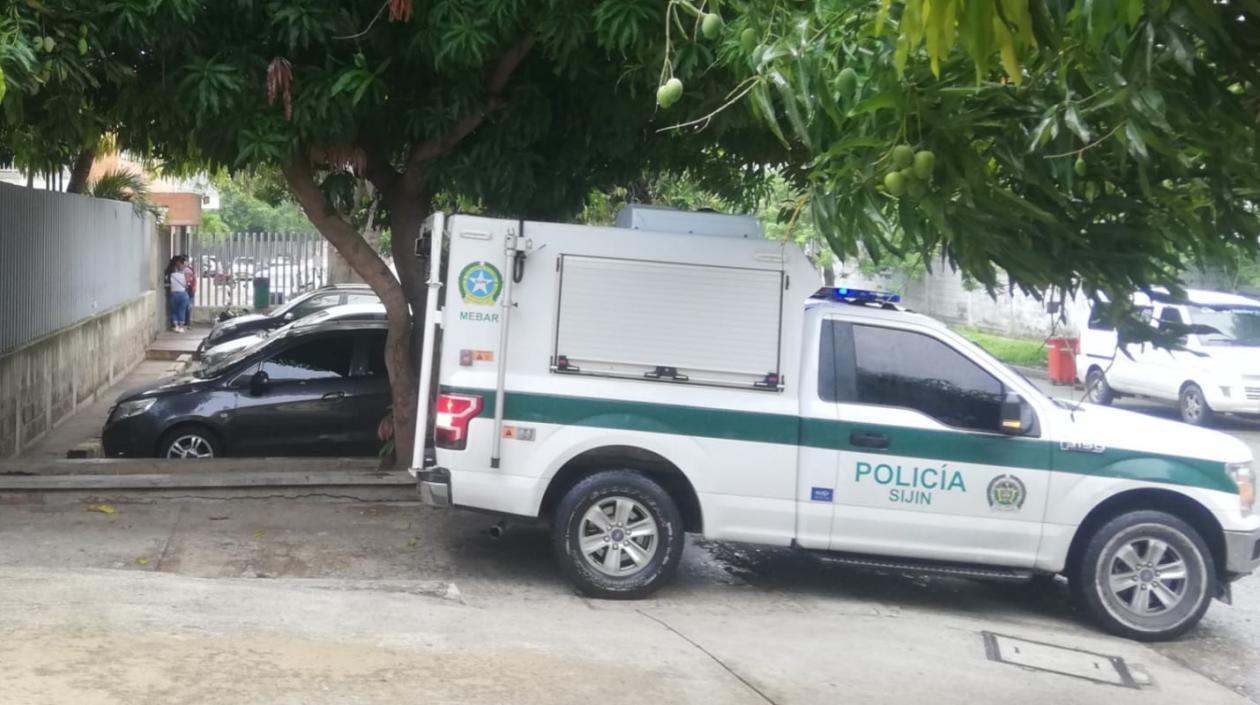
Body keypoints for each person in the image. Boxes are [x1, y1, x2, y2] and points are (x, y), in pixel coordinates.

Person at [166, 255, 190, 333]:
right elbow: (187, 284)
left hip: (174, 294)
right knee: (182, 310)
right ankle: (181, 327)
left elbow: (167, 283)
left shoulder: (170, 274)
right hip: (183, 294)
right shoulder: (184, 274)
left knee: (174, 311)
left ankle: (176, 326)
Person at [181, 258, 197, 327]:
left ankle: (187, 321)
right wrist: (194, 287)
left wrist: (194, 287)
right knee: (188, 306)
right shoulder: (190, 270)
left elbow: (194, 280)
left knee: (187, 306)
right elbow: (194, 280)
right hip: (189, 290)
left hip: (188, 290)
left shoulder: (185, 270)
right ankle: (187, 321)